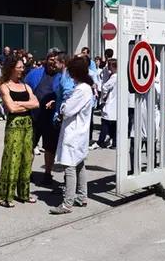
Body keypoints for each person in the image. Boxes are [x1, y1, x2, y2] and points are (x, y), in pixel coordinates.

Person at [49, 56, 95, 215]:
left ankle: (67, 203)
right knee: (80, 164)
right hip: (79, 132)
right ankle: (82, 196)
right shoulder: (86, 87)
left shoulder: (81, 89)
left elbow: (68, 110)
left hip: (74, 133)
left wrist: (62, 105)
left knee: (70, 166)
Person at [0, 55, 40, 208]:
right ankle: (5, 196)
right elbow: (11, 108)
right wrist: (26, 105)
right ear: (11, 68)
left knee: (27, 158)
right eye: (19, 67)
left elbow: (36, 103)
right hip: (14, 126)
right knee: (11, 159)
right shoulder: (4, 86)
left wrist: (20, 103)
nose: (22, 69)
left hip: (28, 125)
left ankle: (24, 193)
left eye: (23, 67)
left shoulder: (25, 86)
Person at [25, 49, 67, 186]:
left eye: (56, 60)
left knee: (50, 148)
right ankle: (27, 173)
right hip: (34, 116)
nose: (53, 63)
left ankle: (48, 174)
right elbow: (25, 88)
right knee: (29, 146)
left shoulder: (62, 76)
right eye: (51, 59)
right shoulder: (35, 73)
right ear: (46, 59)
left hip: (51, 119)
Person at [95, 58, 118, 149]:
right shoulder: (118, 76)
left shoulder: (114, 77)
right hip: (115, 103)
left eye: (109, 65)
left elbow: (105, 87)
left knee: (105, 123)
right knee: (114, 124)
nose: (108, 67)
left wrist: (103, 98)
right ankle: (114, 141)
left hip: (110, 102)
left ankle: (101, 141)